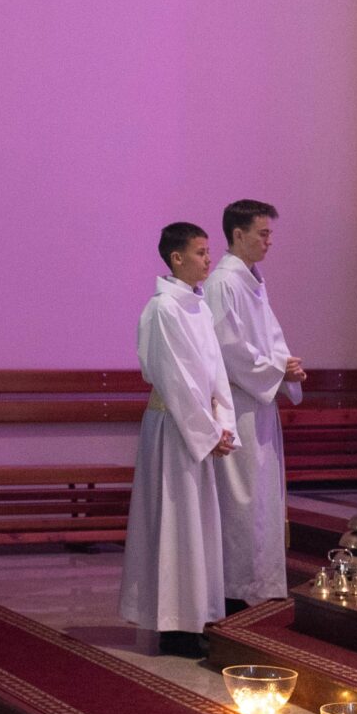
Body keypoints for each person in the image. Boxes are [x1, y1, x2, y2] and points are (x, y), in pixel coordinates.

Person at [122, 222, 237, 658]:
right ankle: (173, 626)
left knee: (196, 527)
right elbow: (176, 381)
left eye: (208, 252)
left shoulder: (198, 306)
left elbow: (215, 373)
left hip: (196, 429)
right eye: (201, 252)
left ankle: (194, 617)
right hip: (174, 429)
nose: (209, 260)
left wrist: (223, 423)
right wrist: (208, 432)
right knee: (176, 525)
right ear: (176, 258)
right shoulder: (163, 310)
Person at [203, 200, 308, 609]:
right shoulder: (223, 283)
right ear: (238, 234)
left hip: (258, 405)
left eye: (269, 234)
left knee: (260, 501)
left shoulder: (253, 280)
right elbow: (228, 348)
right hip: (238, 406)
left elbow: (270, 338)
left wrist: (286, 366)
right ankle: (234, 591)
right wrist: (275, 371)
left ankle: (258, 586)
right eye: (262, 234)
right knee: (240, 501)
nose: (269, 241)